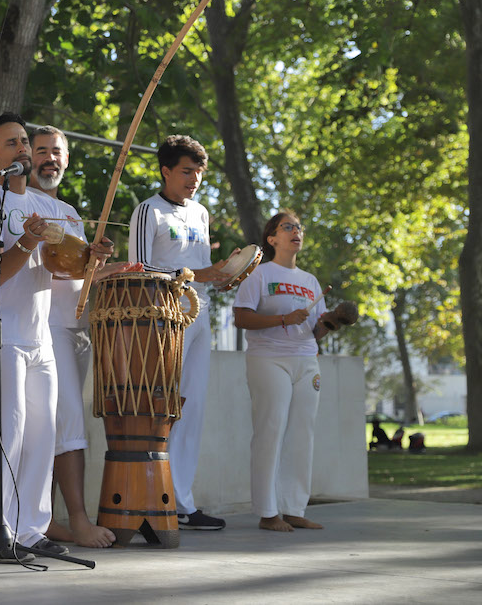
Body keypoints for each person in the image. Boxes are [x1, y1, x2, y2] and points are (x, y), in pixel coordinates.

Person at [0, 113, 115, 560]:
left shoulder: (50, 208)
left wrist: (94, 259)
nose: (24, 150)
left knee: (42, 436)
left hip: (39, 337)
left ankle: (31, 530)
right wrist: (25, 243)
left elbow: (62, 268)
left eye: (25, 141)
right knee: (4, 435)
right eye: (12, 144)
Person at [27, 126, 138, 548]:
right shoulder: (25, 205)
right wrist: (87, 263)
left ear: (67, 160)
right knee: (70, 424)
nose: (49, 158)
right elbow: (49, 267)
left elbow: (79, 277)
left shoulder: (70, 211)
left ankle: (49, 518)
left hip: (75, 330)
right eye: (40, 151)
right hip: (44, 328)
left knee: (59, 426)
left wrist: (109, 265)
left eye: (56, 152)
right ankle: (77, 520)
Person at [128, 134, 236, 531]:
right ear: (166, 171)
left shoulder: (202, 213)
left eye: (199, 173)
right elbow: (137, 270)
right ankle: (147, 502)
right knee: (159, 411)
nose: (194, 180)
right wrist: (193, 275)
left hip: (200, 319)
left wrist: (222, 277)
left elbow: (204, 272)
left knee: (190, 410)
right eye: (186, 171)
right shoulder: (148, 211)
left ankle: (181, 502)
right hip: (160, 321)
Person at [233, 210, 329, 532]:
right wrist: (283, 320)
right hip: (268, 358)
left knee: (303, 432)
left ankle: (293, 507)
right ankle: (267, 512)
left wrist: (331, 324)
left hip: (306, 360)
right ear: (272, 238)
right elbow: (242, 318)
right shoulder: (259, 275)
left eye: (299, 227)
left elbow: (315, 330)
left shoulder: (310, 281)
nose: (296, 231)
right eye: (288, 227)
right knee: (271, 429)